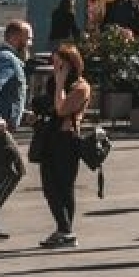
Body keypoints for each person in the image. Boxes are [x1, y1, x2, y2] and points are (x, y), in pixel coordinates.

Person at [33, 43, 93, 248]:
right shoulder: (52, 83)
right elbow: (44, 105)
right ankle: (63, 229)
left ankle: (66, 230)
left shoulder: (80, 86)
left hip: (66, 140)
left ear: (70, 64)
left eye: (59, 63)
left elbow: (61, 109)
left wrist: (59, 84)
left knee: (64, 186)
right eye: (54, 62)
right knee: (49, 185)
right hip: (49, 137)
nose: (55, 67)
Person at [0, 21, 29, 240]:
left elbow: (7, 94)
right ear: (15, 37)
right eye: (27, 37)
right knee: (14, 169)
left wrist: (23, 113)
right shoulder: (6, 59)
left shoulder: (5, 58)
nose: (29, 42)